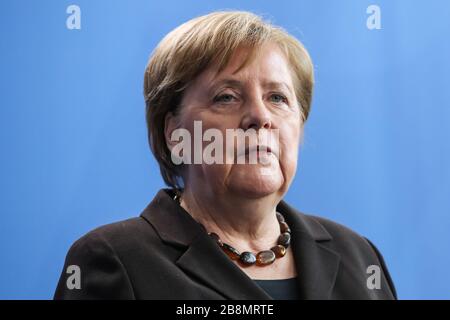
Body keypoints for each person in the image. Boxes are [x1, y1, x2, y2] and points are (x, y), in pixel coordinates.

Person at [54, 11, 396, 300]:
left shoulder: (360, 256)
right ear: (175, 133)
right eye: (227, 97)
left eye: (277, 98)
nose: (260, 117)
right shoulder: (114, 259)